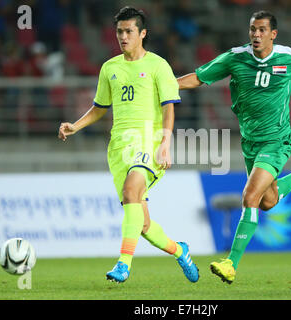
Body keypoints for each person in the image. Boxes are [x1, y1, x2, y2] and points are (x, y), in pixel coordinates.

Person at [177, 10, 291, 284]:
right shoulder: (235, 57)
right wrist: (166, 87)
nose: (256, 35)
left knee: (250, 196)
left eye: (261, 30)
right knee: (268, 202)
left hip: (277, 140)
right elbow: (198, 77)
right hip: (250, 143)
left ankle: (230, 263)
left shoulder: (289, 57)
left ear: (273, 34)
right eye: (252, 30)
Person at [58, 6, 199, 283]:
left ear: (142, 33)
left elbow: (169, 108)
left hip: (149, 142)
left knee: (131, 188)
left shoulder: (159, 66)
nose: (123, 36)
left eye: (129, 31)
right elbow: (99, 108)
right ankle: (179, 250)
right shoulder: (110, 68)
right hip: (119, 148)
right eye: (120, 31)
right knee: (143, 224)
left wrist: (165, 144)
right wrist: (75, 125)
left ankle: (123, 265)